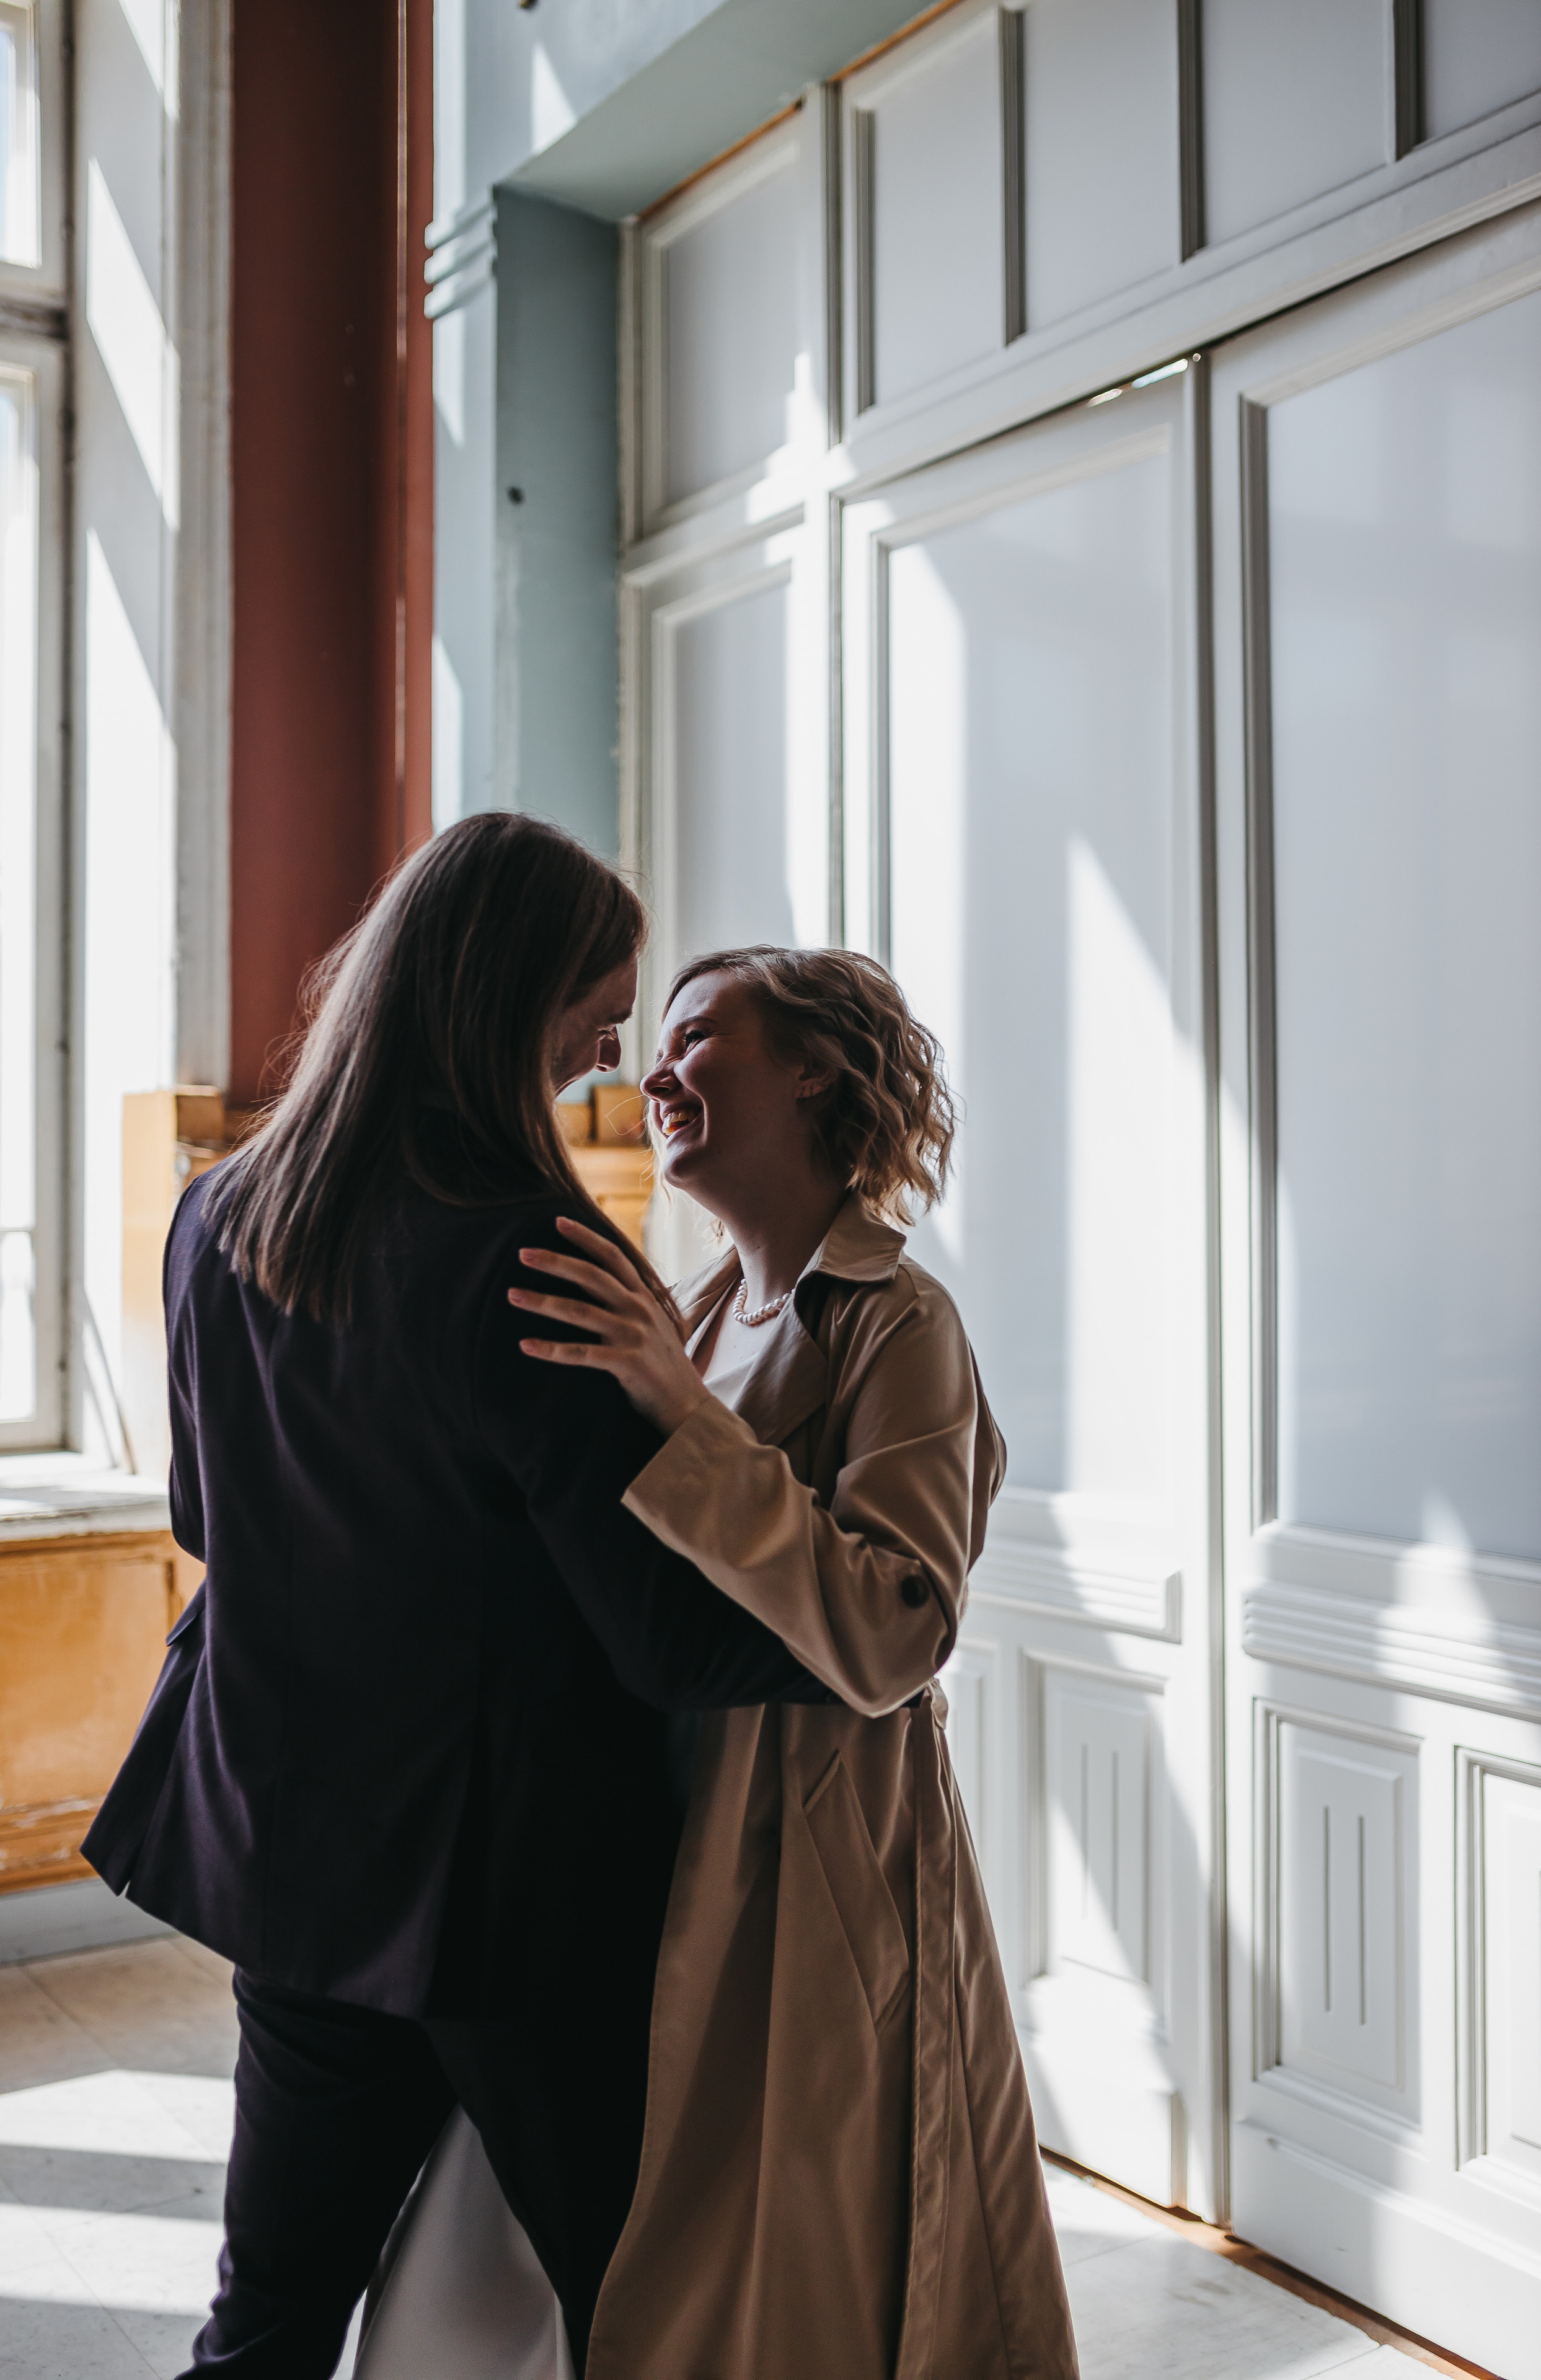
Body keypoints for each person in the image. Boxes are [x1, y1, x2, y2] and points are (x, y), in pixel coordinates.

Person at [82, 822, 829, 2380]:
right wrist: (868, 1615)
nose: (614, 1049)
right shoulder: (538, 1258)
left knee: (272, 2307)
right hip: (518, 1891)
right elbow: (665, 1641)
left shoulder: (217, 1213)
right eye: (599, 1008)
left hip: (293, 1851)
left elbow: (206, 1518)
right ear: (502, 998)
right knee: (636, 2304)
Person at [362, 945, 1079, 2380]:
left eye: (697, 1039)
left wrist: (682, 1416)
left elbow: (891, 1632)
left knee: (791, 2252)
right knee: (514, 2245)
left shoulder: (899, 1325)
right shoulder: (683, 1311)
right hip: (640, 1830)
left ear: (811, 1068)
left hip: (809, 1850)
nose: (653, 1072)